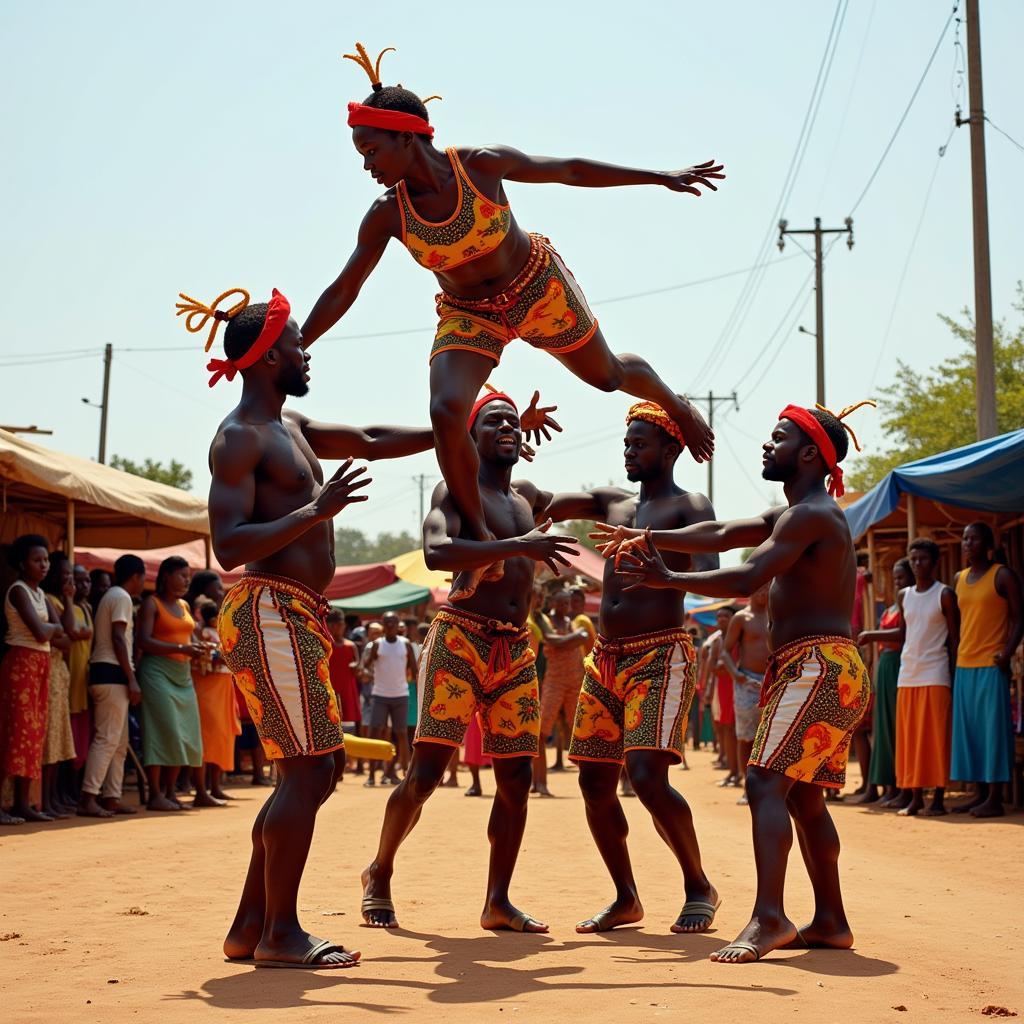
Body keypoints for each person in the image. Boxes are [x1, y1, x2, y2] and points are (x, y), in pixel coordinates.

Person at [301, 44, 723, 601]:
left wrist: (658, 175)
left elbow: (569, 170)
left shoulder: (479, 165)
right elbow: (345, 286)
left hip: (533, 288)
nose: (366, 165)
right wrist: (296, 342)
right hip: (468, 314)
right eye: (361, 153)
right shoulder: (387, 214)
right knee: (447, 410)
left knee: (609, 377)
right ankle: (478, 542)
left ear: (408, 137)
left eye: (371, 149)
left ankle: (676, 403)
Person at [188, 285, 443, 970]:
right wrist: (315, 511)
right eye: (298, 342)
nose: (308, 352)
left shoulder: (289, 428)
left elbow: (369, 440)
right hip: (268, 607)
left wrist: (460, 428)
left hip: (295, 614)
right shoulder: (240, 437)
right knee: (307, 773)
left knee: (315, 770)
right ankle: (279, 935)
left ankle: (252, 926)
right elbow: (230, 543)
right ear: (270, 357)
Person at [595, 400, 874, 963]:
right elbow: (721, 532)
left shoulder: (811, 514)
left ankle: (770, 917)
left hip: (817, 666)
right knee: (807, 800)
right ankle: (831, 922)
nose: (767, 446)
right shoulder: (794, 513)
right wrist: (649, 537)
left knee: (766, 786)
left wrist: (664, 574)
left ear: (811, 454)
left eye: (778, 438)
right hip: (815, 666)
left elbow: (748, 575)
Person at [361, 389, 578, 931]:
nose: (508, 429)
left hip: (514, 651)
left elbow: (584, 502)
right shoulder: (456, 490)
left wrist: (633, 511)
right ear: (470, 439)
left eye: (513, 424)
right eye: (494, 423)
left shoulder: (527, 496)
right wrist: (519, 547)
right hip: (460, 639)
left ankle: (497, 901)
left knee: (515, 781)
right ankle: (380, 871)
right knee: (427, 774)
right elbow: (438, 553)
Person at [527, 399, 720, 934]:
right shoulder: (611, 502)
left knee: (647, 777)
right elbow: (538, 499)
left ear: (670, 447)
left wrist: (663, 571)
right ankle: (626, 897)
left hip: (661, 653)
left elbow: (711, 570)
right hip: (606, 658)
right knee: (593, 780)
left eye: (640, 443)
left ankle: (699, 886)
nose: (630, 451)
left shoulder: (690, 505)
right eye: (627, 443)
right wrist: (507, 444)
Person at [950, 522, 1022, 818]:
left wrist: (1006, 654)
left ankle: (995, 798)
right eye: (965, 539)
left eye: (974, 539)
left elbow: (1020, 618)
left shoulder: (1002, 575)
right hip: (965, 665)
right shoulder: (958, 578)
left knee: (993, 733)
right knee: (970, 734)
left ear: (988, 544)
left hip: (992, 666)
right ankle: (978, 793)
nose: (968, 543)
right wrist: (955, 655)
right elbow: (956, 624)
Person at [888, 539, 959, 818]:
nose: (918, 564)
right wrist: (872, 635)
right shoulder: (904, 596)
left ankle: (938, 798)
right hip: (908, 674)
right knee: (910, 739)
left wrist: (955, 676)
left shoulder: (945, 594)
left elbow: (955, 639)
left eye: (923, 559)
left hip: (936, 672)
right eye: (913, 559)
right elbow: (903, 635)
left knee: (936, 738)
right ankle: (915, 797)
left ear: (935, 562)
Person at [0, 535, 66, 824]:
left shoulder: (40, 594)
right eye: (37, 560)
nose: (44, 565)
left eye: (46, 560)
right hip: (22, 662)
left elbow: (61, 631)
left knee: (34, 734)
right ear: (22, 563)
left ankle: (23, 803)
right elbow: (43, 633)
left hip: (40, 663)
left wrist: (49, 627)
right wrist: (50, 628)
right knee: (15, 733)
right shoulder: (18, 591)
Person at [136, 556, 208, 811]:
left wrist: (196, 648)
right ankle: (156, 794)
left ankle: (170, 793)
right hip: (156, 672)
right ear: (165, 576)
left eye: (189, 576)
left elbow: (186, 637)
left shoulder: (184, 606)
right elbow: (143, 641)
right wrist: (182, 647)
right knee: (162, 732)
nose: (187, 580)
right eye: (182, 575)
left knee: (186, 733)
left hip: (183, 674)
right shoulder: (151, 603)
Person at [78, 554, 146, 818]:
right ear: (136, 577)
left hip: (108, 673)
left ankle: (111, 797)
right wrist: (131, 678)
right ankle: (89, 797)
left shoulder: (114, 596)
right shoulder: (121, 597)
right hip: (111, 673)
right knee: (108, 739)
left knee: (119, 742)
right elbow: (119, 639)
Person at [856, 558, 914, 806]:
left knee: (895, 727)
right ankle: (883, 786)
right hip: (884, 666)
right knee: (883, 728)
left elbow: (904, 634)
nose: (897, 582)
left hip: (899, 664)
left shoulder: (907, 606)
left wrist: (871, 635)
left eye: (901, 578)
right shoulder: (891, 608)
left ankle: (899, 786)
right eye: (896, 578)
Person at [531, 589, 589, 795]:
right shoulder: (546, 622)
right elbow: (553, 641)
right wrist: (575, 638)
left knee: (580, 731)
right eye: (562, 602)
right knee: (542, 731)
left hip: (575, 681)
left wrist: (568, 640)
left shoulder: (570, 622)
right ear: (553, 602)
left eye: (568, 603)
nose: (566, 606)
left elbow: (575, 640)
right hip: (554, 681)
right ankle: (540, 782)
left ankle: (590, 783)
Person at [719, 585, 770, 805]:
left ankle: (769, 788)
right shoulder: (741, 618)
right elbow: (725, 650)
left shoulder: (775, 615)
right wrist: (736, 675)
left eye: (767, 588)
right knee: (745, 736)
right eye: (759, 588)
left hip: (772, 682)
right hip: (746, 682)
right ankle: (747, 787)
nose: (763, 593)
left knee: (769, 736)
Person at [40, 552, 80, 818]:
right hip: (49, 669)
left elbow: (68, 637)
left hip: (60, 670)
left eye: (70, 575)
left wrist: (69, 599)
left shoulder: (60, 602)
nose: (67, 579)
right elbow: (72, 633)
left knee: (58, 740)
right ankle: (44, 799)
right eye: (63, 574)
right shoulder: (47, 599)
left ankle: (53, 797)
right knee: (49, 740)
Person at [362, 611, 418, 786]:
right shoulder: (377, 645)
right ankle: (371, 775)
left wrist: (409, 684)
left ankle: (406, 774)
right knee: (375, 733)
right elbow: (365, 666)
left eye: (394, 622)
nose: (391, 625)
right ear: (383, 625)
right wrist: (370, 675)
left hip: (401, 694)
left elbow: (414, 669)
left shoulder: (406, 644)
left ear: (398, 624)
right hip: (380, 694)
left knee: (402, 734)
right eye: (388, 622)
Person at [193, 600, 240, 802]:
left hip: (224, 686)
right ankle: (202, 791)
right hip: (207, 686)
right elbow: (208, 656)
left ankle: (215, 787)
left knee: (222, 736)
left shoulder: (220, 632)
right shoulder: (201, 633)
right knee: (206, 738)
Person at [68, 565, 95, 775]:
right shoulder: (59, 603)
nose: (84, 585)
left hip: (83, 677)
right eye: (78, 580)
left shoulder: (87, 608)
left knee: (81, 734)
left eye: (87, 580)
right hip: (68, 676)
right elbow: (72, 631)